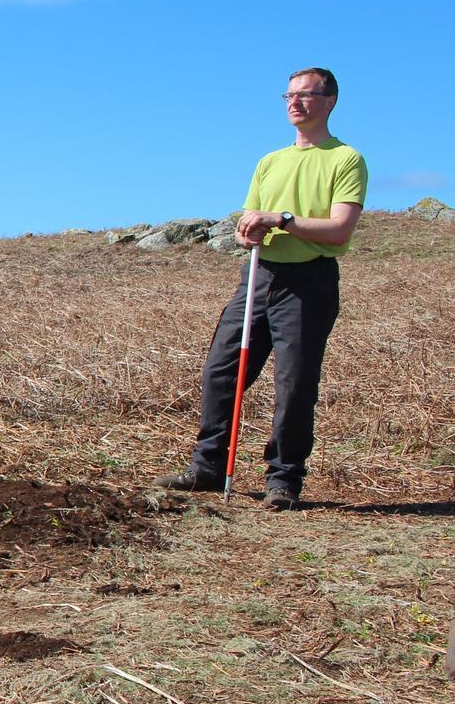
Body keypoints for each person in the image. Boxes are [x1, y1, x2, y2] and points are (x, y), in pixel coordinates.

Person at [157, 67, 367, 510]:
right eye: (289, 95)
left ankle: (284, 480)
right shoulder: (269, 162)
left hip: (309, 282)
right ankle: (208, 467)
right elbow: (246, 222)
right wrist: (248, 231)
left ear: (329, 101)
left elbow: (339, 230)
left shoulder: (345, 158)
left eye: (306, 95)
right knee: (221, 370)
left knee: (294, 382)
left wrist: (282, 219)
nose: (295, 103)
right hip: (259, 276)